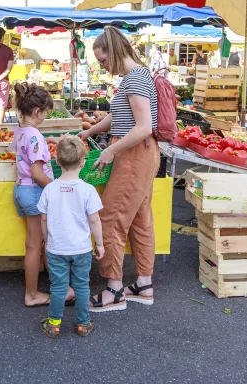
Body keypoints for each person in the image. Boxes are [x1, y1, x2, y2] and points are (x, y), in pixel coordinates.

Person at [78, 26, 159, 312]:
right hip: (141, 154)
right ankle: (144, 284)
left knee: (110, 217)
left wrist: (112, 150)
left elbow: (143, 127)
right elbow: (118, 116)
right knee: (139, 218)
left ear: (112, 52)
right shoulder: (135, 76)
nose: (102, 66)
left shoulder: (134, 78)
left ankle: (114, 290)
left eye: (102, 60)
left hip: (133, 154)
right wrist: (88, 134)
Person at [37, 136, 104, 339]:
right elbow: (94, 221)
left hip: (56, 248)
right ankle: (83, 323)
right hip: (81, 248)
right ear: (83, 162)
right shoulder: (88, 190)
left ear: (56, 160)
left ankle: (54, 324)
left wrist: (46, 239)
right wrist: (99, 243)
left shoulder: (49, 189)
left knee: (58, 286)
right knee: (82, 285)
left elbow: (43, 219)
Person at [12, 81, 63, 308]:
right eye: (45, 113)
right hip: (34, 192)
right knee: (34, 244)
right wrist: (55, 187)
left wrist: (47, 140)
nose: (45, 117)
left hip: (22, 190)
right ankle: (31, 294)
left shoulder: (22, 130)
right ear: (36, 111)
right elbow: (37, 172)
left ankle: (54, 284)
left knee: (41, 241)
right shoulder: (36, 138)